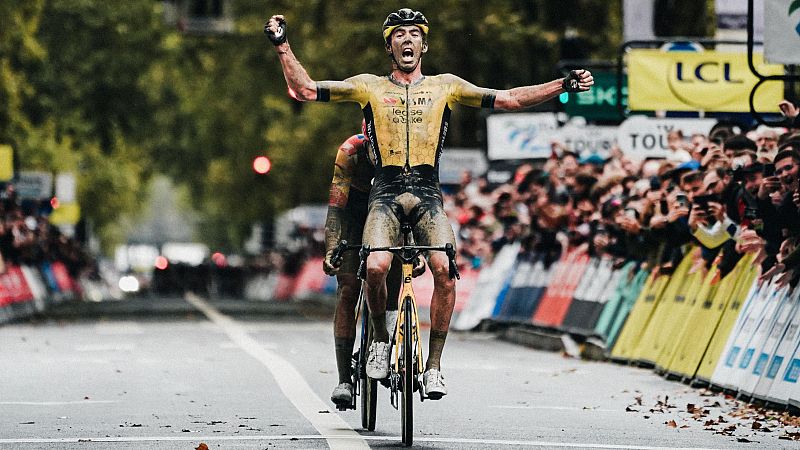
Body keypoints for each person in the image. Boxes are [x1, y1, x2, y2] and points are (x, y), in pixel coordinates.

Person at [266, 8, 593, 399]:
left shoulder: (446, 86)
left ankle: (434, 366)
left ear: (425, 44)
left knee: (444, 269)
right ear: (389, 46)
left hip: (427, 193)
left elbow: (508, 99)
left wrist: (564, 84)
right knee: (375, 266)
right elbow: (304, 90)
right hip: (384, 194)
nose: (407, 40)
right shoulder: (368, 87)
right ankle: (381, 342)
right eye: (399, 34)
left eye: (414, 34)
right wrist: (283, 45)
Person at [322, 129, 424, 406]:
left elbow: (416, 204)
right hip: (355, 216)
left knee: (390, 280)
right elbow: (336, 207)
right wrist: (333, 246)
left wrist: (416, 245)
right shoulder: (350, 152)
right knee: (348, 289)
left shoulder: (408, 150)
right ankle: (344, 379)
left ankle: (385, 343)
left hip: (393, 215)